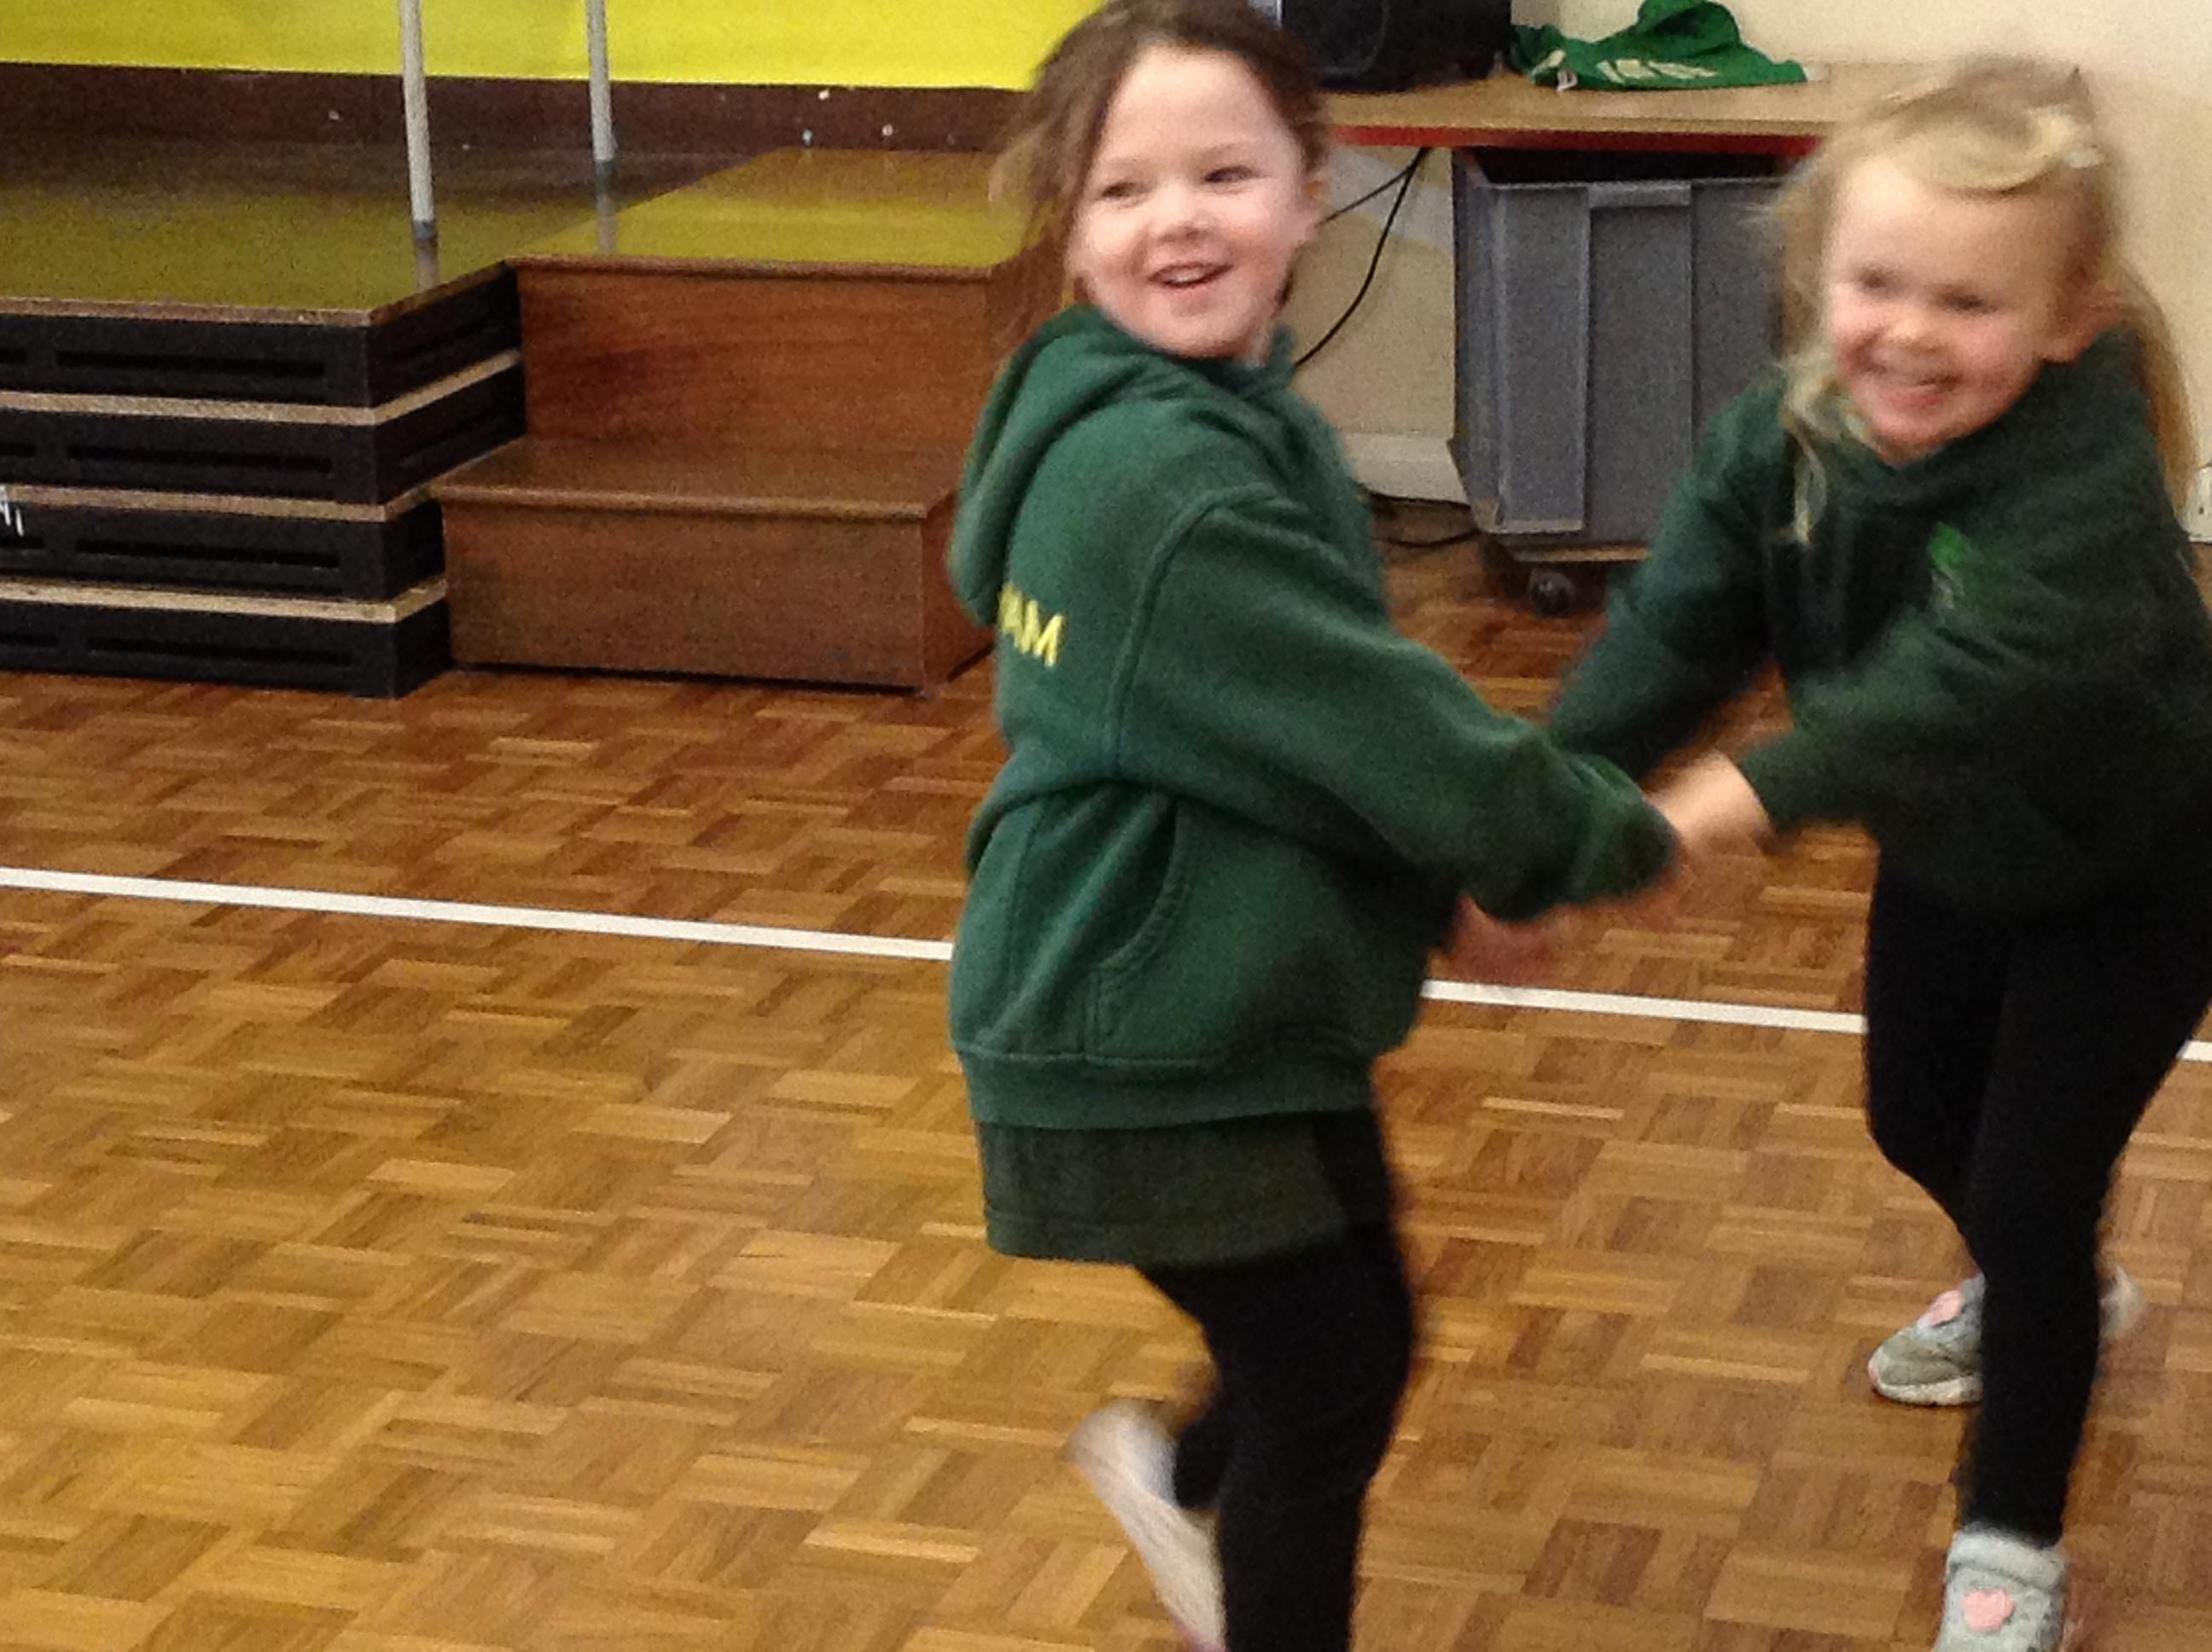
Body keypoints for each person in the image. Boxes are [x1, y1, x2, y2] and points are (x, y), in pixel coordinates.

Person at [944, 3, 1678, 1648]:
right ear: (1069, 225)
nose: (1178, 220)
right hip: (1138, 1024)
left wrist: (1440, 891)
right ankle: (1219, 1520)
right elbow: (1385, 727)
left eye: (1224, 173)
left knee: (1350, 1344)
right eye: (1124, 189)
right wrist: (1605, 838)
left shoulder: (1228, 411)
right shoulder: (1158, 483)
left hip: (1234, 992)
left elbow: (1302, 744)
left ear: (1310, 183)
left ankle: (1180, 1474)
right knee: (1328, 1377)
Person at [1550, 56, 2212, 1652]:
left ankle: (2011, 1544)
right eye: (1877, 286)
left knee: (2031, 1196)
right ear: (1817, 276)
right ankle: (2042, 1282)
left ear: (2068, 320)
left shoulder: (2084, 484)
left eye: (1968, 303)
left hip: (2139, 870)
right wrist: (1544, 807)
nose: (1909, 333)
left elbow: (1952, 696)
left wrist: (1731, 800)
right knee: (1918, 1118)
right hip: (1957, 851)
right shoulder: (1782, 443)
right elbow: (1675, 633)